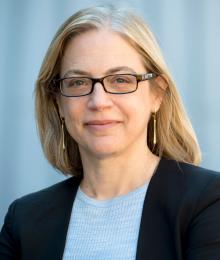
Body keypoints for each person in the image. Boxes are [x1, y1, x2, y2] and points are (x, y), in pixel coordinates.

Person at [0, 4, 220, 260]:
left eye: (121, 80)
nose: (99, 101)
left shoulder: (208, 203)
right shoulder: (23, 220)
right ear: (58, 102)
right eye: (78, 82)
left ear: (157, 94)